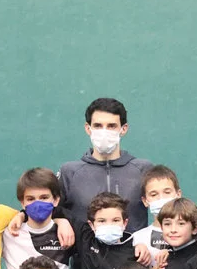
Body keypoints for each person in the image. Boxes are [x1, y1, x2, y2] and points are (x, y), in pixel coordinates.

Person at [58, 97, 153, 231]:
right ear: (88, 128)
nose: (104, 131)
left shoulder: (144, 169)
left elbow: (168, 209)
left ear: (123, 129)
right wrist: (60, 221)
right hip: (83, 245)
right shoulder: (69, 172)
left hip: (134, 245)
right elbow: (51, 210)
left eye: (111, 126)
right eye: (98, 126)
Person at [2, 167, 76, 269]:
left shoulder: (67, 233)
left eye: (44, 197)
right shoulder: (8, 234)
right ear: (22, 202)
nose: (37, 204)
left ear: (56, 200)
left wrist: (62, 220)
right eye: (30, 199)